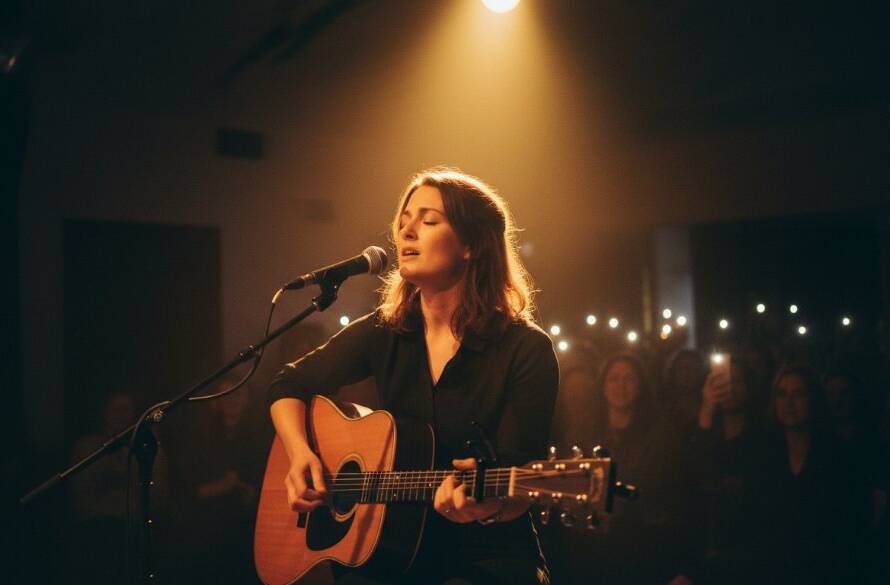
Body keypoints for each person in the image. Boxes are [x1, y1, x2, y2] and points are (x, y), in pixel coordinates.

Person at [267, 167, 559, 585]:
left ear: (471, 245)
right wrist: (300, 456)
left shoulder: (525, 349)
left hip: (486, 555)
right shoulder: (385, 331)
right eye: (403, 221)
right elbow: (288, 385)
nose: (406, 231)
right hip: (391, 552)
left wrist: (485, 506)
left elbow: (520, 484)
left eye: (429, 220)